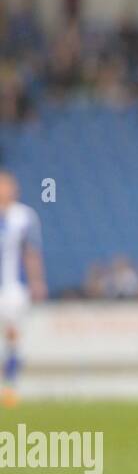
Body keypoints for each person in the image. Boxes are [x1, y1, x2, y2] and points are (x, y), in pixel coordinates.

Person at [0, 172, 45, 407]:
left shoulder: (24, 216)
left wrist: (37, 282)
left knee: (13, 337)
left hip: (12, 290)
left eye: (6, 186)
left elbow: (31, 253)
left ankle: (10, 386)